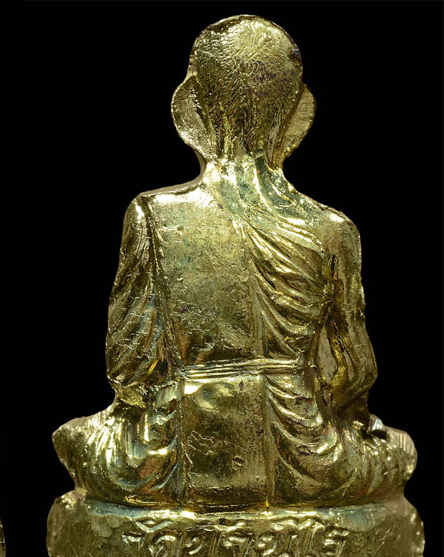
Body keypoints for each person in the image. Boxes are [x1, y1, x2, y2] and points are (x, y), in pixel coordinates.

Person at [54, 15, 416, 510]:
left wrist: (130, 413)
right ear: (296, 110)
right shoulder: (333, 228)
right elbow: (354, 371)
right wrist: (346, 421)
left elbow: (129, 365)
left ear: (193, 105)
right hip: (310, 459)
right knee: (401, 451)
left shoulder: (153, 215)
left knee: (73, 438)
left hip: (177, 455)